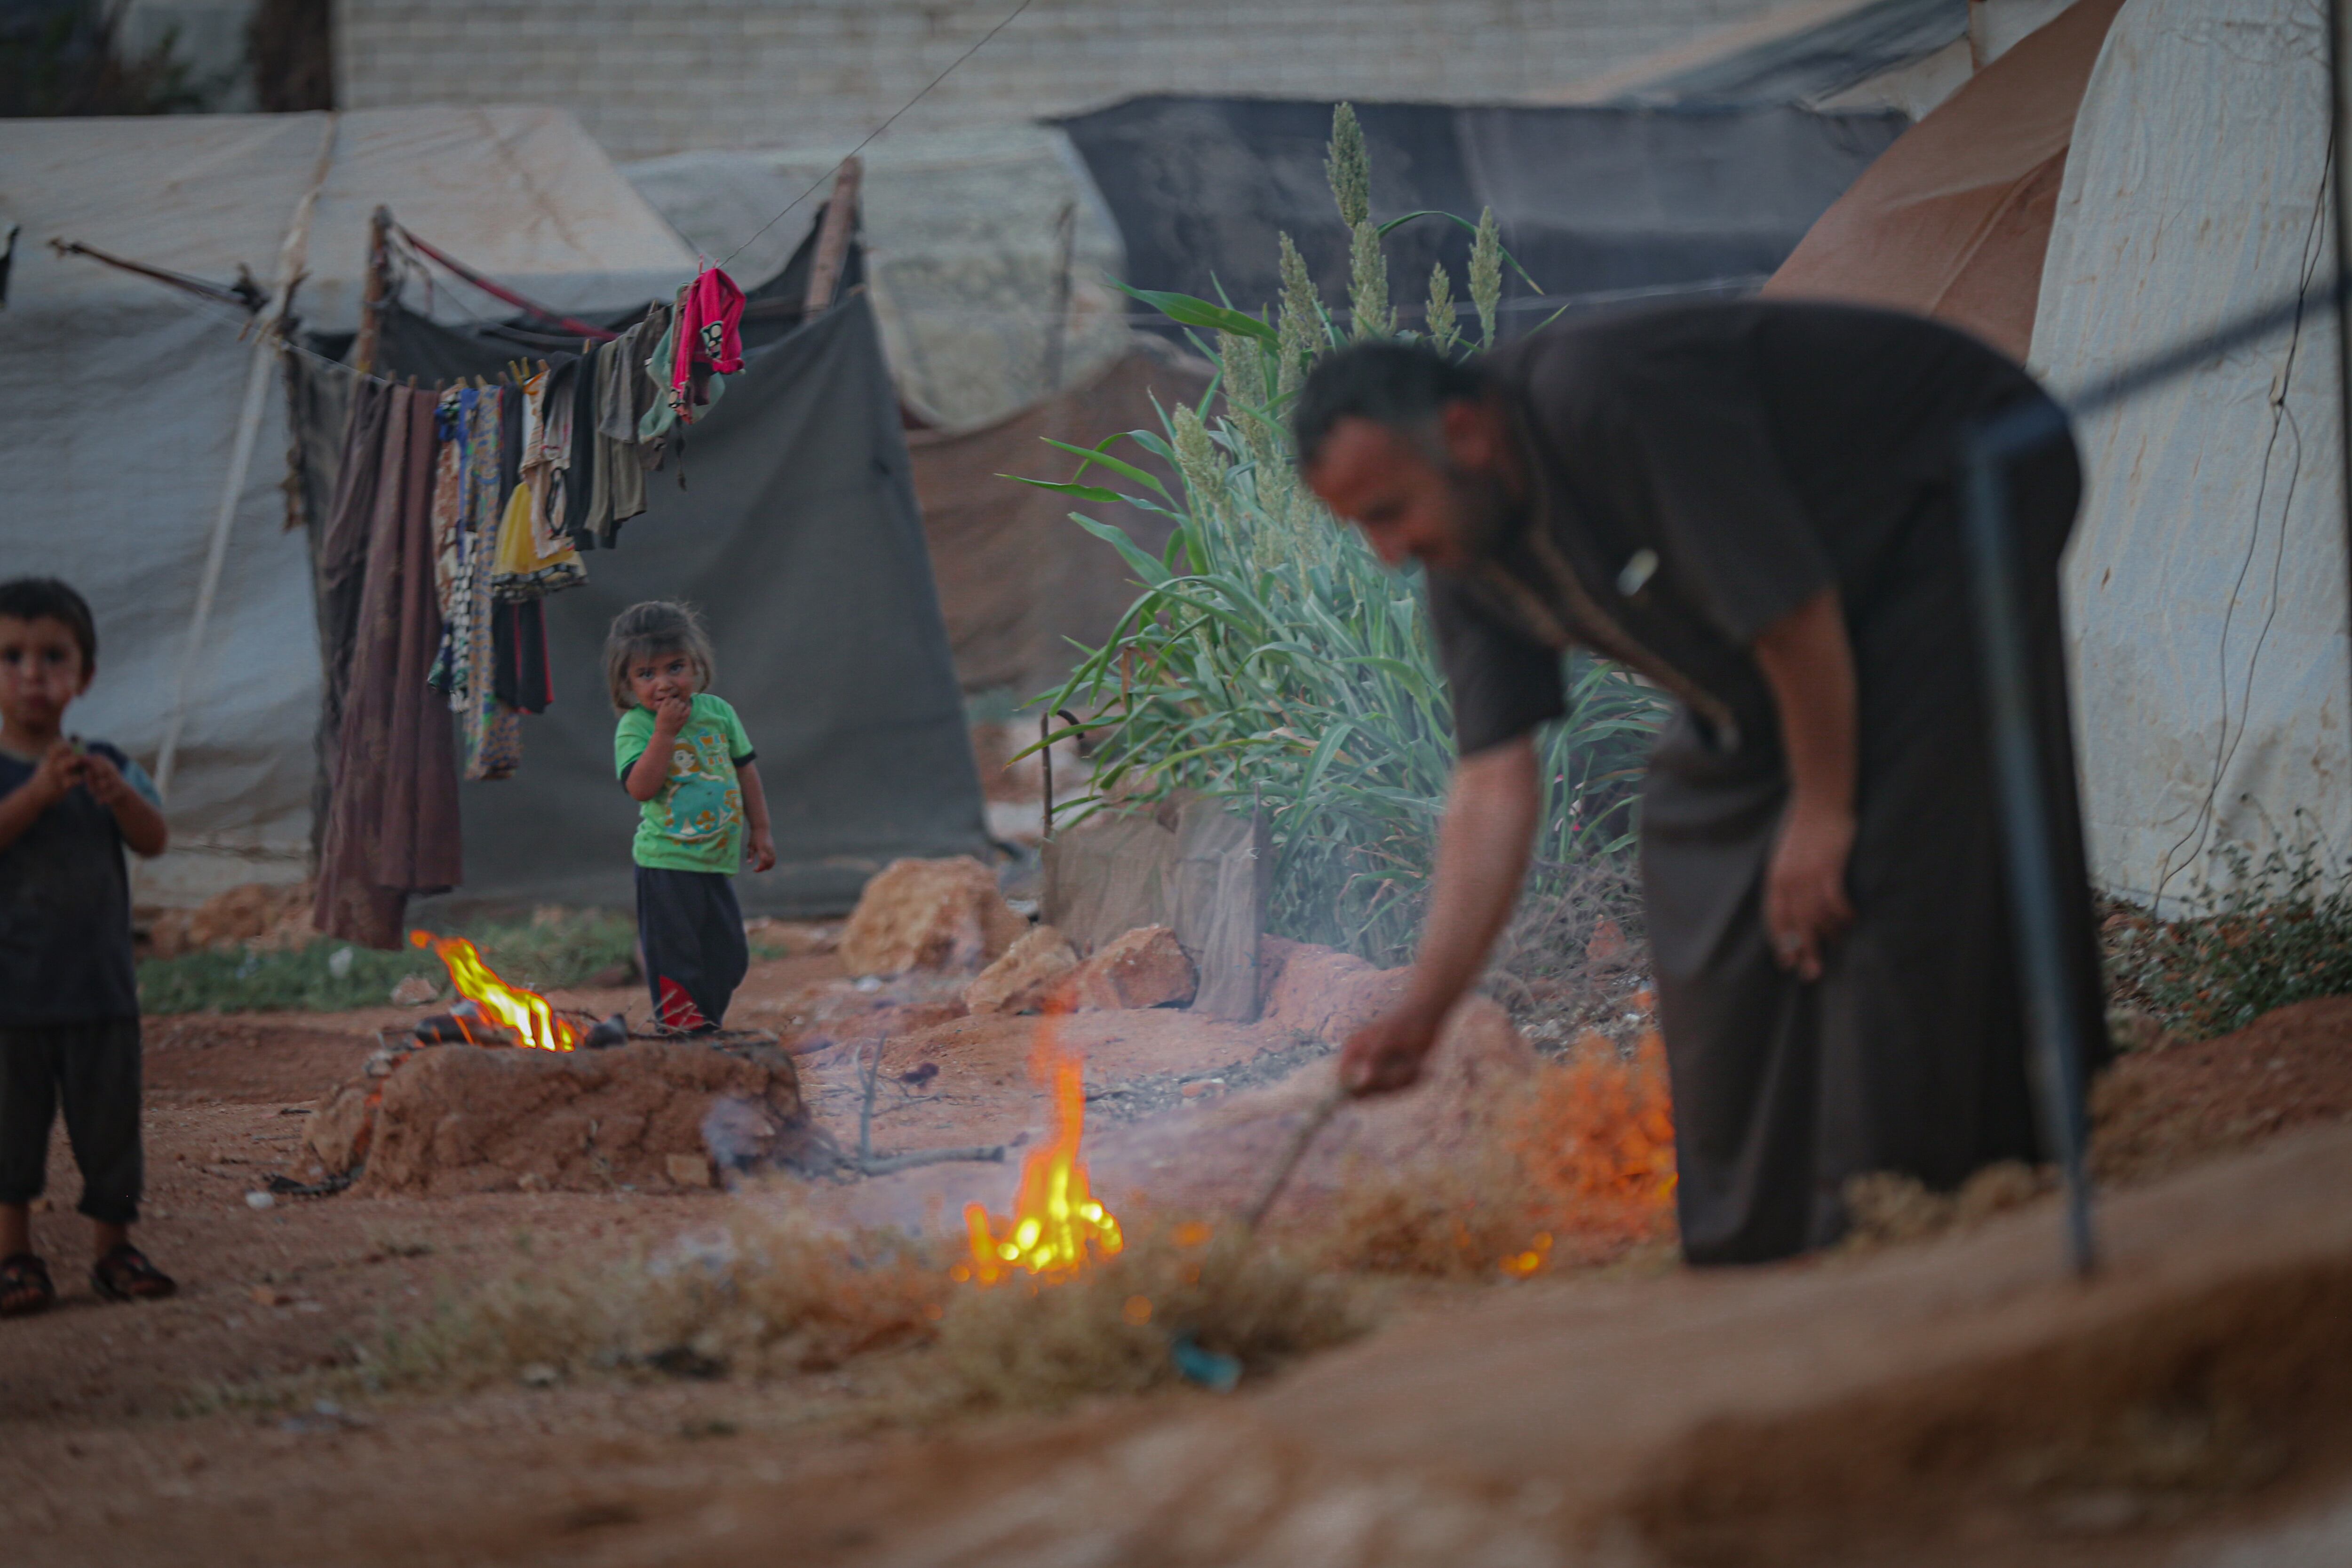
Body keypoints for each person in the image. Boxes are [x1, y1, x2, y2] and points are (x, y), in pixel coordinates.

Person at [1295, 303, 2107, 1265]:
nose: (1388, 551)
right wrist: (1423, 1012)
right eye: (1364, 529)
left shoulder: (1604, 396)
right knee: (1690, 826)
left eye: (1387, 512)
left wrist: (1823, 809)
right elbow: (1491, 781)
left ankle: (1917, 1211)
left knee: (1884, 851)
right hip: (1808, 613)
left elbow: (1788, 606)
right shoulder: (1464, 551)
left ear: (1464, 432)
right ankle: (1758, 1239)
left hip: (1958, 479)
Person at [0, 577, 175, 1317]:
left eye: (52, 656)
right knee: (9, 1135)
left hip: (102, 993)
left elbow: (155, 838)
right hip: (11, 1000)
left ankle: (115, 1248)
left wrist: (120, 795)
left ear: (86, 676)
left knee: (111, 1130)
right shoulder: (15, 777)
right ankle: (15, 1256)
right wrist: (37, 795)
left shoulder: (105, 761)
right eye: (10, 656)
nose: (32, 673)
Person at [607, 601, 776, 1033]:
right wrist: (665, 734)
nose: (663, 684)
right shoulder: (637, 727)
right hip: (665, 863)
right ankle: (684, 1033)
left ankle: (706, 1026)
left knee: (728, 955)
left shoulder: (718, 713)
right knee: (675, 958)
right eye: (646, 675)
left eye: (675, 667)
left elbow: (745, 769)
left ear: (697, 664)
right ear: (627, 682)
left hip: (715, 863)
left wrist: (761, 829)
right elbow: (640, 788)